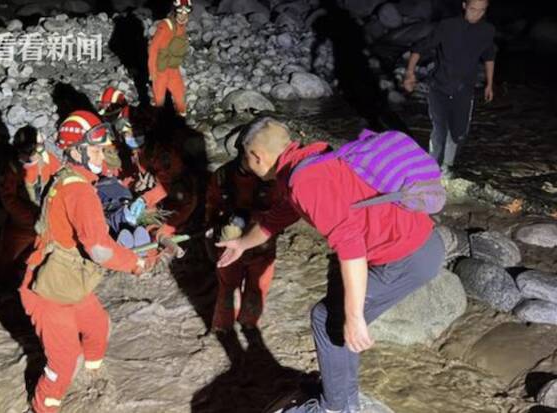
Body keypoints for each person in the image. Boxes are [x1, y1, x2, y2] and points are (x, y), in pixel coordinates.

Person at [216, 117, 444, 413]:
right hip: (420, 245)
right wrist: (242, 243)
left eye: (246, 159)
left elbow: (350, 247)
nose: (247, 166)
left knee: (326, 320)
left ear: (257, 157)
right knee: (334, 318)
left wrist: (355, 316)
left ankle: (335, 407)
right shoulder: (311, 159)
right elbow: (281, 216)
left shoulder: (305, 182)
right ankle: (342, 396)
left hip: (408, 258)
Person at [19, 110, 158, 413]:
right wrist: (136, 263)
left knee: (97, 326)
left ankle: (93, 377)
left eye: (102, 148)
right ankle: (43, 407)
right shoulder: (79, 190)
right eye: (95, 148)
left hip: (68, 278)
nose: (102, 154)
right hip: (45, 289)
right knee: (64, 359)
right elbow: (99, 250)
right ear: (75, 151)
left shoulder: (72, 176)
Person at [403, 0, 495, 178]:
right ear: (464, 5)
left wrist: (490, 84)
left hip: (464, 90)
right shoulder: (447, 26)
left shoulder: (487, 30)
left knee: (459, 132)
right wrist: (409, 73)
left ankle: (448, 165)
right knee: (439, 128)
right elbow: (419, 48)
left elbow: (489, 56)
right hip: (439, 86)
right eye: (472, 10)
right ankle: (432, 167)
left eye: (481, 11)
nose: (476, 14)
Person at [205, 151, 280, 333]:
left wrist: (250, 217)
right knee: (229, 288)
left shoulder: (272, 177)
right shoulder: (223, 176)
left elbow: (281, 210)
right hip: (229, 240)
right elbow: (211, 205)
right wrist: (209, 230)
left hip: (260, 242)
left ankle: (249, 325)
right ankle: (223, 328)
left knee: (257, 286)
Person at [0, 126, 41, 289]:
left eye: (33, 150)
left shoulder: (41, 160)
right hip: (8, 212)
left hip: (29, 210)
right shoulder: (10, 168)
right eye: (26, 152)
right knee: (8, 252)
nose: (30, 155)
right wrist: (31, 218)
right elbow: (8, 199)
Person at [148, 0, 191, 117]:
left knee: (179, 93)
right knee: (159, 98)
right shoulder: (165, 25)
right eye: (180, 13)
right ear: (174, 12)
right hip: (160, 69)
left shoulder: (181, 27)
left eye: (185, 14)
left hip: (173, 68)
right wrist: (152, 72)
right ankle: (159, 120)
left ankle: (182, 117)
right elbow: (153, 49)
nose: (183, 16)